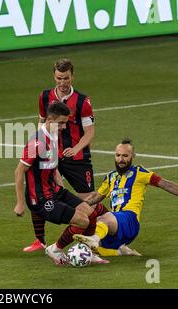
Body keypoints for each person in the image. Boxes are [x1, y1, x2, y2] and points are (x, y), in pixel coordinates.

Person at [74, 138, 178, 257]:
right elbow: (97, 197)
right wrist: (75, 206)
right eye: (118, 155)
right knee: (92, 226)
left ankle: (94, 238)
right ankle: (121, 251)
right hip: (116, 225)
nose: (121, 159)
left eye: (125, 156)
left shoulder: (140, 172)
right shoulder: (110, 177)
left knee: (103, 218)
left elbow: (166, 184)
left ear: (132, 156)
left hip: (129, 220)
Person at [23, 58, 100, 253]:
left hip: (77, 159)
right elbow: (42, 121)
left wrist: (76, 149)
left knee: (88, 201)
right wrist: (39, 141)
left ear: (72, 76)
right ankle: (39, 241)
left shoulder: (83, 101)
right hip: (50, 154)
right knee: (37, 193)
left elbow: (89, 132)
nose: (62, 83)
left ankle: (90, 240)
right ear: (54, 76)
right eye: (59, 78)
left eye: (66, 78)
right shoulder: (45, 96)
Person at [14, 101, 105, 265]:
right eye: (61, 123)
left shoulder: (54, 135)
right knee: (82, 221)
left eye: (65, 122)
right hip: (41, 199)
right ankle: (55, 249)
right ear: (49, 120)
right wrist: (20, 203)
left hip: (55, 191)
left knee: (91, 213)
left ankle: (89, 252)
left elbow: (54, 168)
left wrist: (63, 193)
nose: (64, 127)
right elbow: (19, 171)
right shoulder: (37, 143)